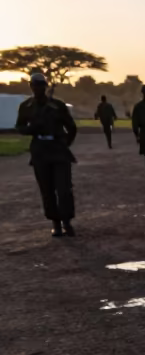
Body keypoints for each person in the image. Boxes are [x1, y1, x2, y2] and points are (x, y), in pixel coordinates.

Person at [16, 72, 78, 237]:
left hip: (58, 150)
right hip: (40, 151)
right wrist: (32, 129)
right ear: (31, 86)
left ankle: (67, 221)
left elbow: (71, 127)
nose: (38, 88)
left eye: (41, 85)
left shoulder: (57, 105)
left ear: (45, 86)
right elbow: (20, 126)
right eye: (35, 85)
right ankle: (55, 223)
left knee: (64, 189)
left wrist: (65, 143)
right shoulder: (26, 106)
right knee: (47, 190)